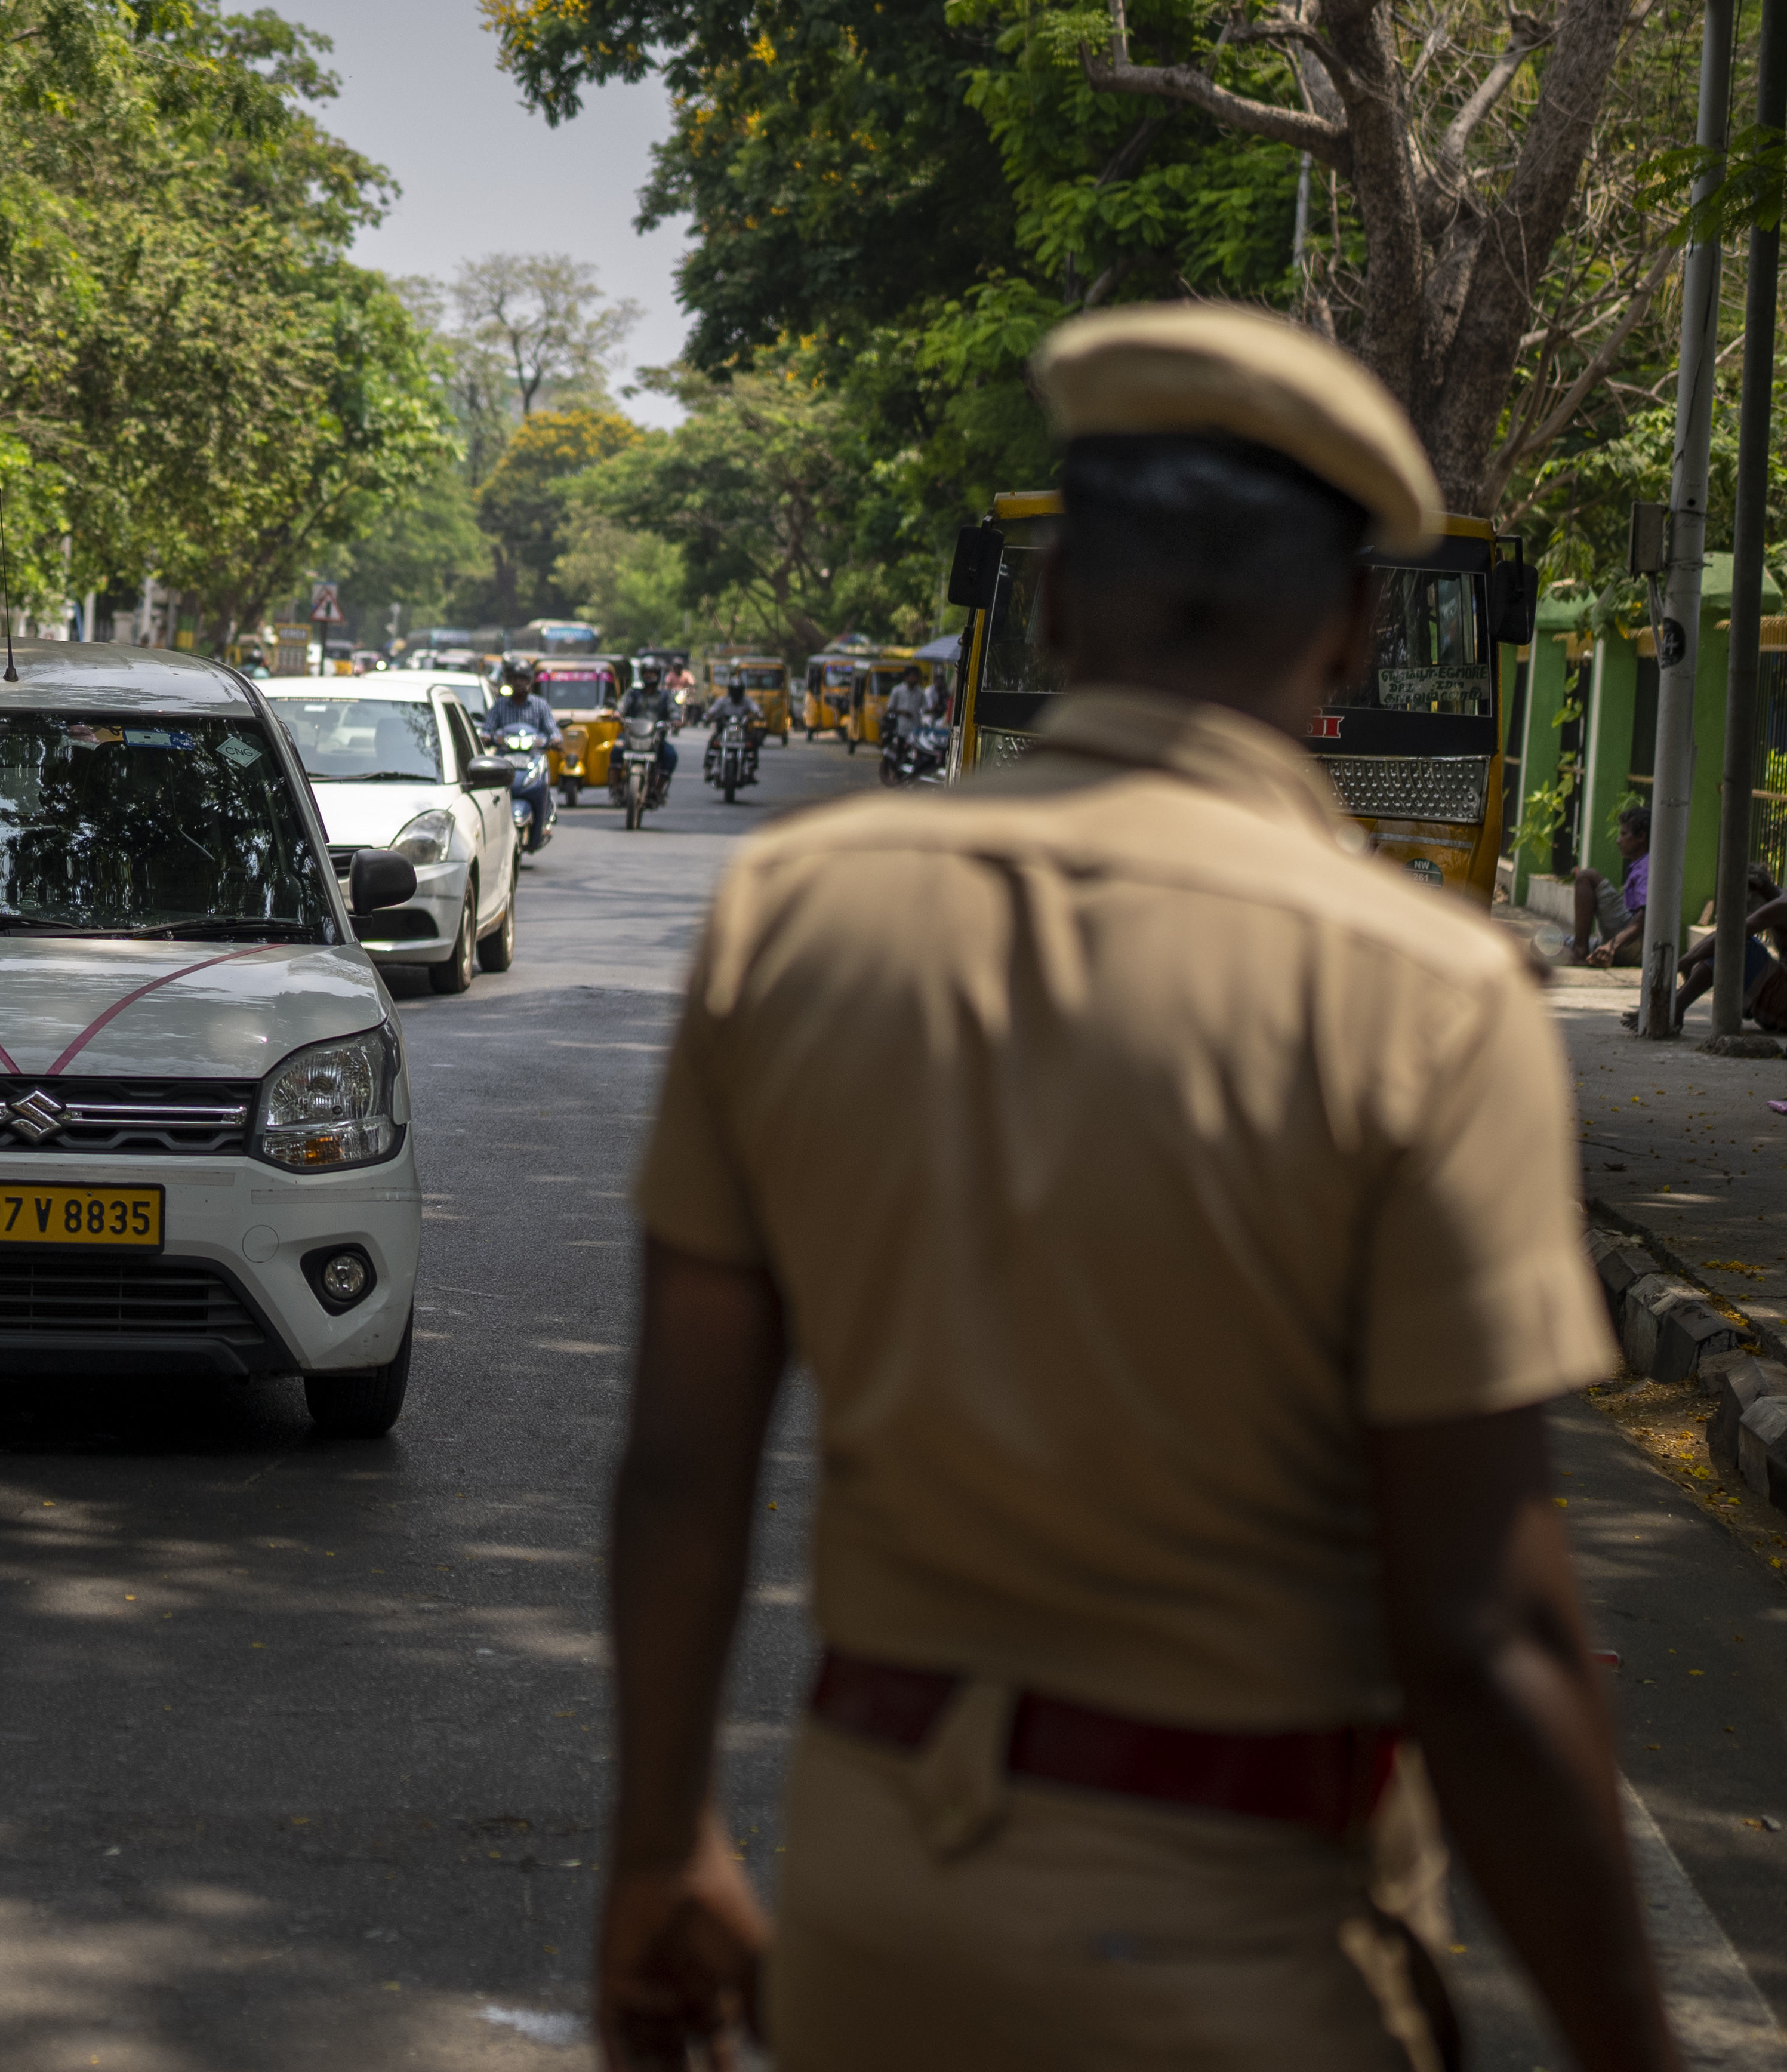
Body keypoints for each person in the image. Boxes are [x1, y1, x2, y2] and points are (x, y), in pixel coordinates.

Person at [600, 304, 1673, 2071]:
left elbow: (675, 1465)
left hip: (874, 1905)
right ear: (1338, 627)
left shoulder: (799, 911)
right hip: (1242, 1933)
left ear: (1057, 603)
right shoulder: (1420, 986)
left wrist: (656, 1847)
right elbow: (1480, 1633)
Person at [1631, 869, 1787, 1033]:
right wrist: (1688, 962)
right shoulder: (1778, 898)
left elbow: (1730, 935)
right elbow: (1721, 935)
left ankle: (1675, 1006)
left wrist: (1680, 965)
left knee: (1736, 944)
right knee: (1716, 946)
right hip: (1775, 1006)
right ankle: (1674, 1002)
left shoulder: (1782, 905)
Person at [1572, 804, 1652, 965]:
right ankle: (1595, 955)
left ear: (1642, 837)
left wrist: (1611, 946)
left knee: (1586, 877)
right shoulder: (1640, 865)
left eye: (1624, 834)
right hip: (1623, 944)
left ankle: (1580, 952)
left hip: (1635, 942)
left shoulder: (1647, 866)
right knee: (1544, 943)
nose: (1618, 841)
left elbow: (1642, 920)